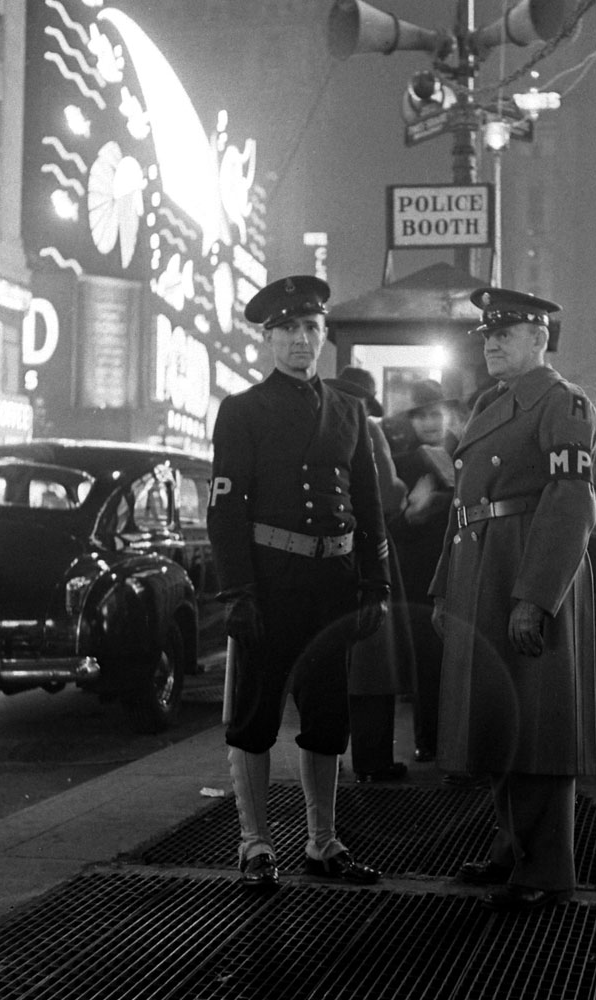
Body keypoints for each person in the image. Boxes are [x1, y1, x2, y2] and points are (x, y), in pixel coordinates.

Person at [207, 275, 391, 892]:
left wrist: (375, 581)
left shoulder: (349, 409)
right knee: (256, 718)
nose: (299, 341)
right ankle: (255, 844)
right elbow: (226, 509)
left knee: (327, 716)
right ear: (267, 339)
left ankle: (322, 842)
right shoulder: (242, 411)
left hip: (332, 584)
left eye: (309, 329)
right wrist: (237, 591)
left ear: (323, 336)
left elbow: (367, 502)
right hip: (272, 580)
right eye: (286, 330)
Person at [429, 286, 596, 912]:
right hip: (484, 563)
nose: (493, 343)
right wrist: (448, 589)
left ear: (540, 339)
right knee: (500, 718)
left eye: (507, 333)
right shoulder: (491, 404)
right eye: (487, 335)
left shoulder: (565, 404)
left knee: (538, 723)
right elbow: (464, 505)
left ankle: (548, 868)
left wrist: (536, 595)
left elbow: (570, 501)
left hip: (527, 563)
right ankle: (512, 849)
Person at [324, 366, 416, 783]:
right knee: (374, 660)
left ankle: (327, 759)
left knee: (335, 665)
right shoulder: (367, 427)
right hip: (370, 551)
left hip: (327, 556)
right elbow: (389, 495)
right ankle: (373, 760)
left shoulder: (318, 422)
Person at [386, 379, 458, 767]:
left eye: (436, 413)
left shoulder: (467, 455)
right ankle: (429, 741)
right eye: (422, 415)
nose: (430, 421)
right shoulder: (402, 464)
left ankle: (462, 740)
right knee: (427, 664)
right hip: (420, 582)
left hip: (462, 571)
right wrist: (412, 515)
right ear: (412, 422)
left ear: (448, 415)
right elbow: (390, 527)